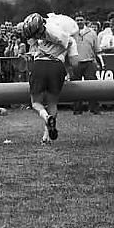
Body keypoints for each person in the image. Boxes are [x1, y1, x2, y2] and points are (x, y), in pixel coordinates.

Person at [20, 13, 80, 144]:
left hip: (40, 66)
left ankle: (46, 117)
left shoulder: (43, 37)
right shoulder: (68, 39)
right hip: (57, 67)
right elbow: (75, 62)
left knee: (36, 102)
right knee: (52, 103)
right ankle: (46, 136)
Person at [71, 13, 103, 115]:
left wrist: (100, 62)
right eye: (77, 20)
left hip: (89, 62)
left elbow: (97, 49)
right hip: (75, 63)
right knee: (75, 87)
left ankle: (94, 108)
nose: (79, 22)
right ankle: (77, 109)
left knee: (92, 86)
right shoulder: (71, 33)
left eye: (81, 19)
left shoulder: (92, 33)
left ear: (85, 20)